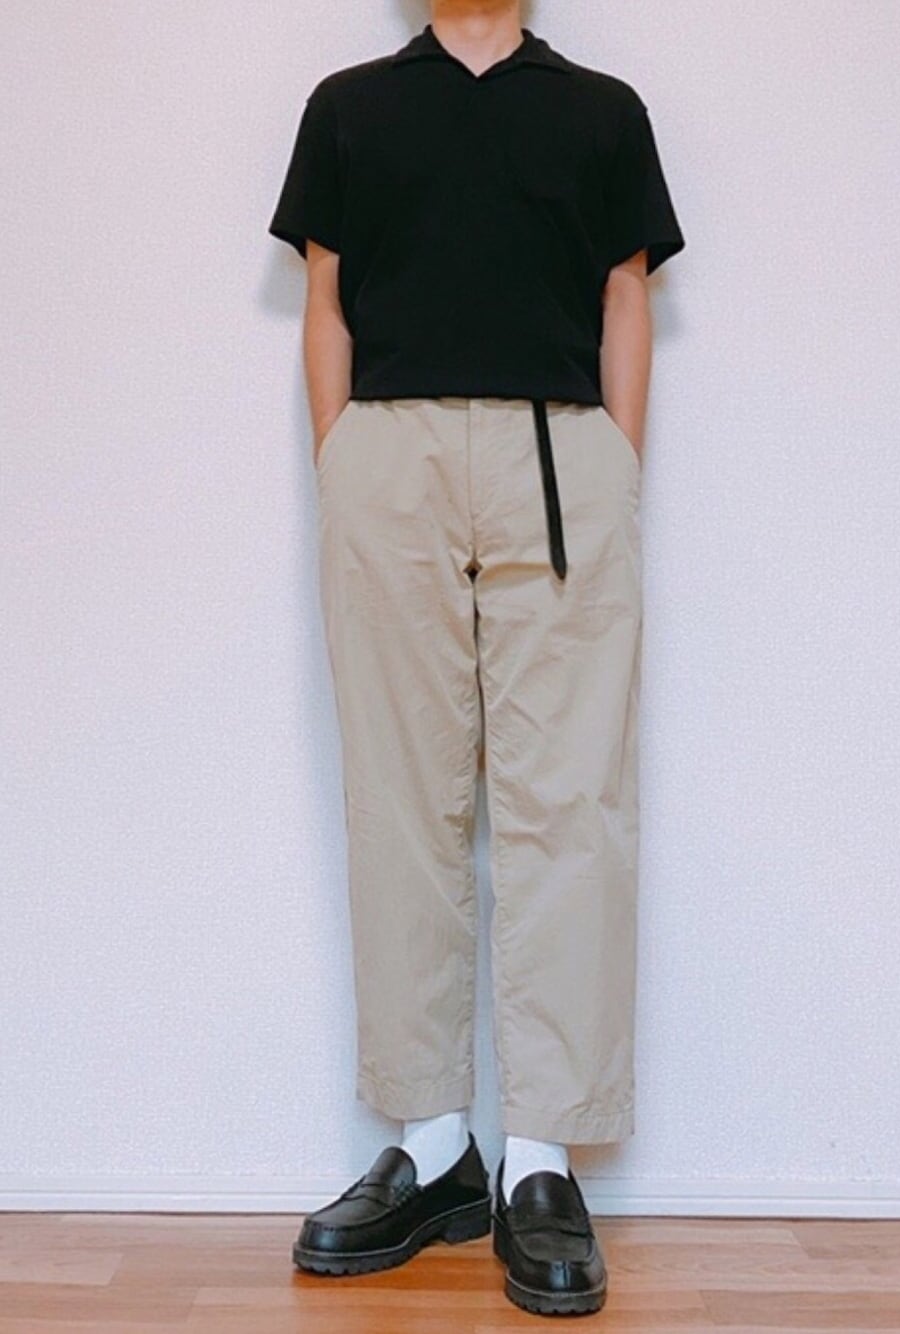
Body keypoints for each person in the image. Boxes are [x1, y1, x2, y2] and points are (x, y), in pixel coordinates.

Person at [268, 0, 685, 1316]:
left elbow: (626, 291)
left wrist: (614, 468)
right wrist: (343, 461)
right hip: (387, 459)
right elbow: (325, 300)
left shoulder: (602, 113)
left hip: (562, 458)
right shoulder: (349, 107)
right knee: (402, 798)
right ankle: (436, 1142)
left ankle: (541, 1159)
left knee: (570, 801)